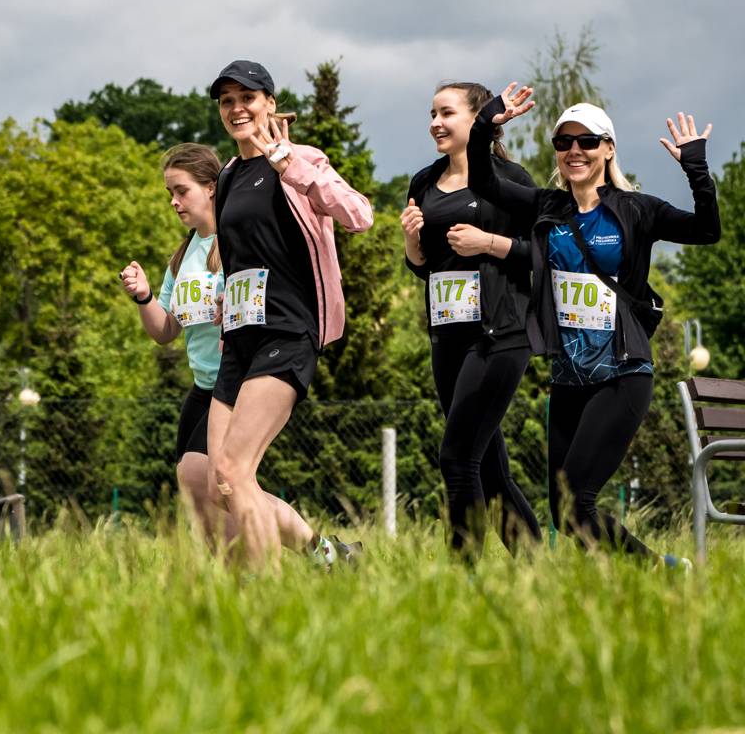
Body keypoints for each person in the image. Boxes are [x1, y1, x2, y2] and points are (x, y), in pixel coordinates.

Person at [472, 84, 718, 564]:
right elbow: (483, 180)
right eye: (564, 142)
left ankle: (663, 571)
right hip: (567, 379)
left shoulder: (636, 209)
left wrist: (696, 168)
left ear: (608, 149)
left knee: (578, 500)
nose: (574, 151)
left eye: (586, 141)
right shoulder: (547, 206)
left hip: (622, 374)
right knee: (564, 510)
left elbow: (707, 230)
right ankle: (643, 575)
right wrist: (487, 123)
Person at [205, 59, 374, 568]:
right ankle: (332, 558)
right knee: (223, 484)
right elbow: (241, 258)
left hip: (287, 332)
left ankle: (258, 599)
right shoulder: (230, 176)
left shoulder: (299, 158)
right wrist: (222, 307)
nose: (237, 109)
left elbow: (359, 215)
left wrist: (287, 164)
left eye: (247, 98)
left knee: (234, 472)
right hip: (239, 340)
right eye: (227, 101)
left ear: (270, 104)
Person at [401, 81, 542, 558]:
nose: (435, 123)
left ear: (478, 119)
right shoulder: (423, 181)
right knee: (488, 469)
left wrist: (489, 244)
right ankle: (538, 571)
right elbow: (423, 267)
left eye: (446, 113)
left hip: (500, 334)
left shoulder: (512, 179)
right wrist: (411, 243)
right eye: (431, 113)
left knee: (457, 458)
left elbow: (543, 256)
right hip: (447, 337)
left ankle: (464, 582)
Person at [118, 144, 231, 538]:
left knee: (214, 481)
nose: (174, 201)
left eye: (181, 191)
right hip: (202, 385)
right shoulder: (183, 257)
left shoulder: (237, 242)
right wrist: (144, 296)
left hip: (236, 383)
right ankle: (234, 572)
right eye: (170, 193)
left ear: (211, 187)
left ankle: (302, 551)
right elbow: (165, 331)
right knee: (196, 486)